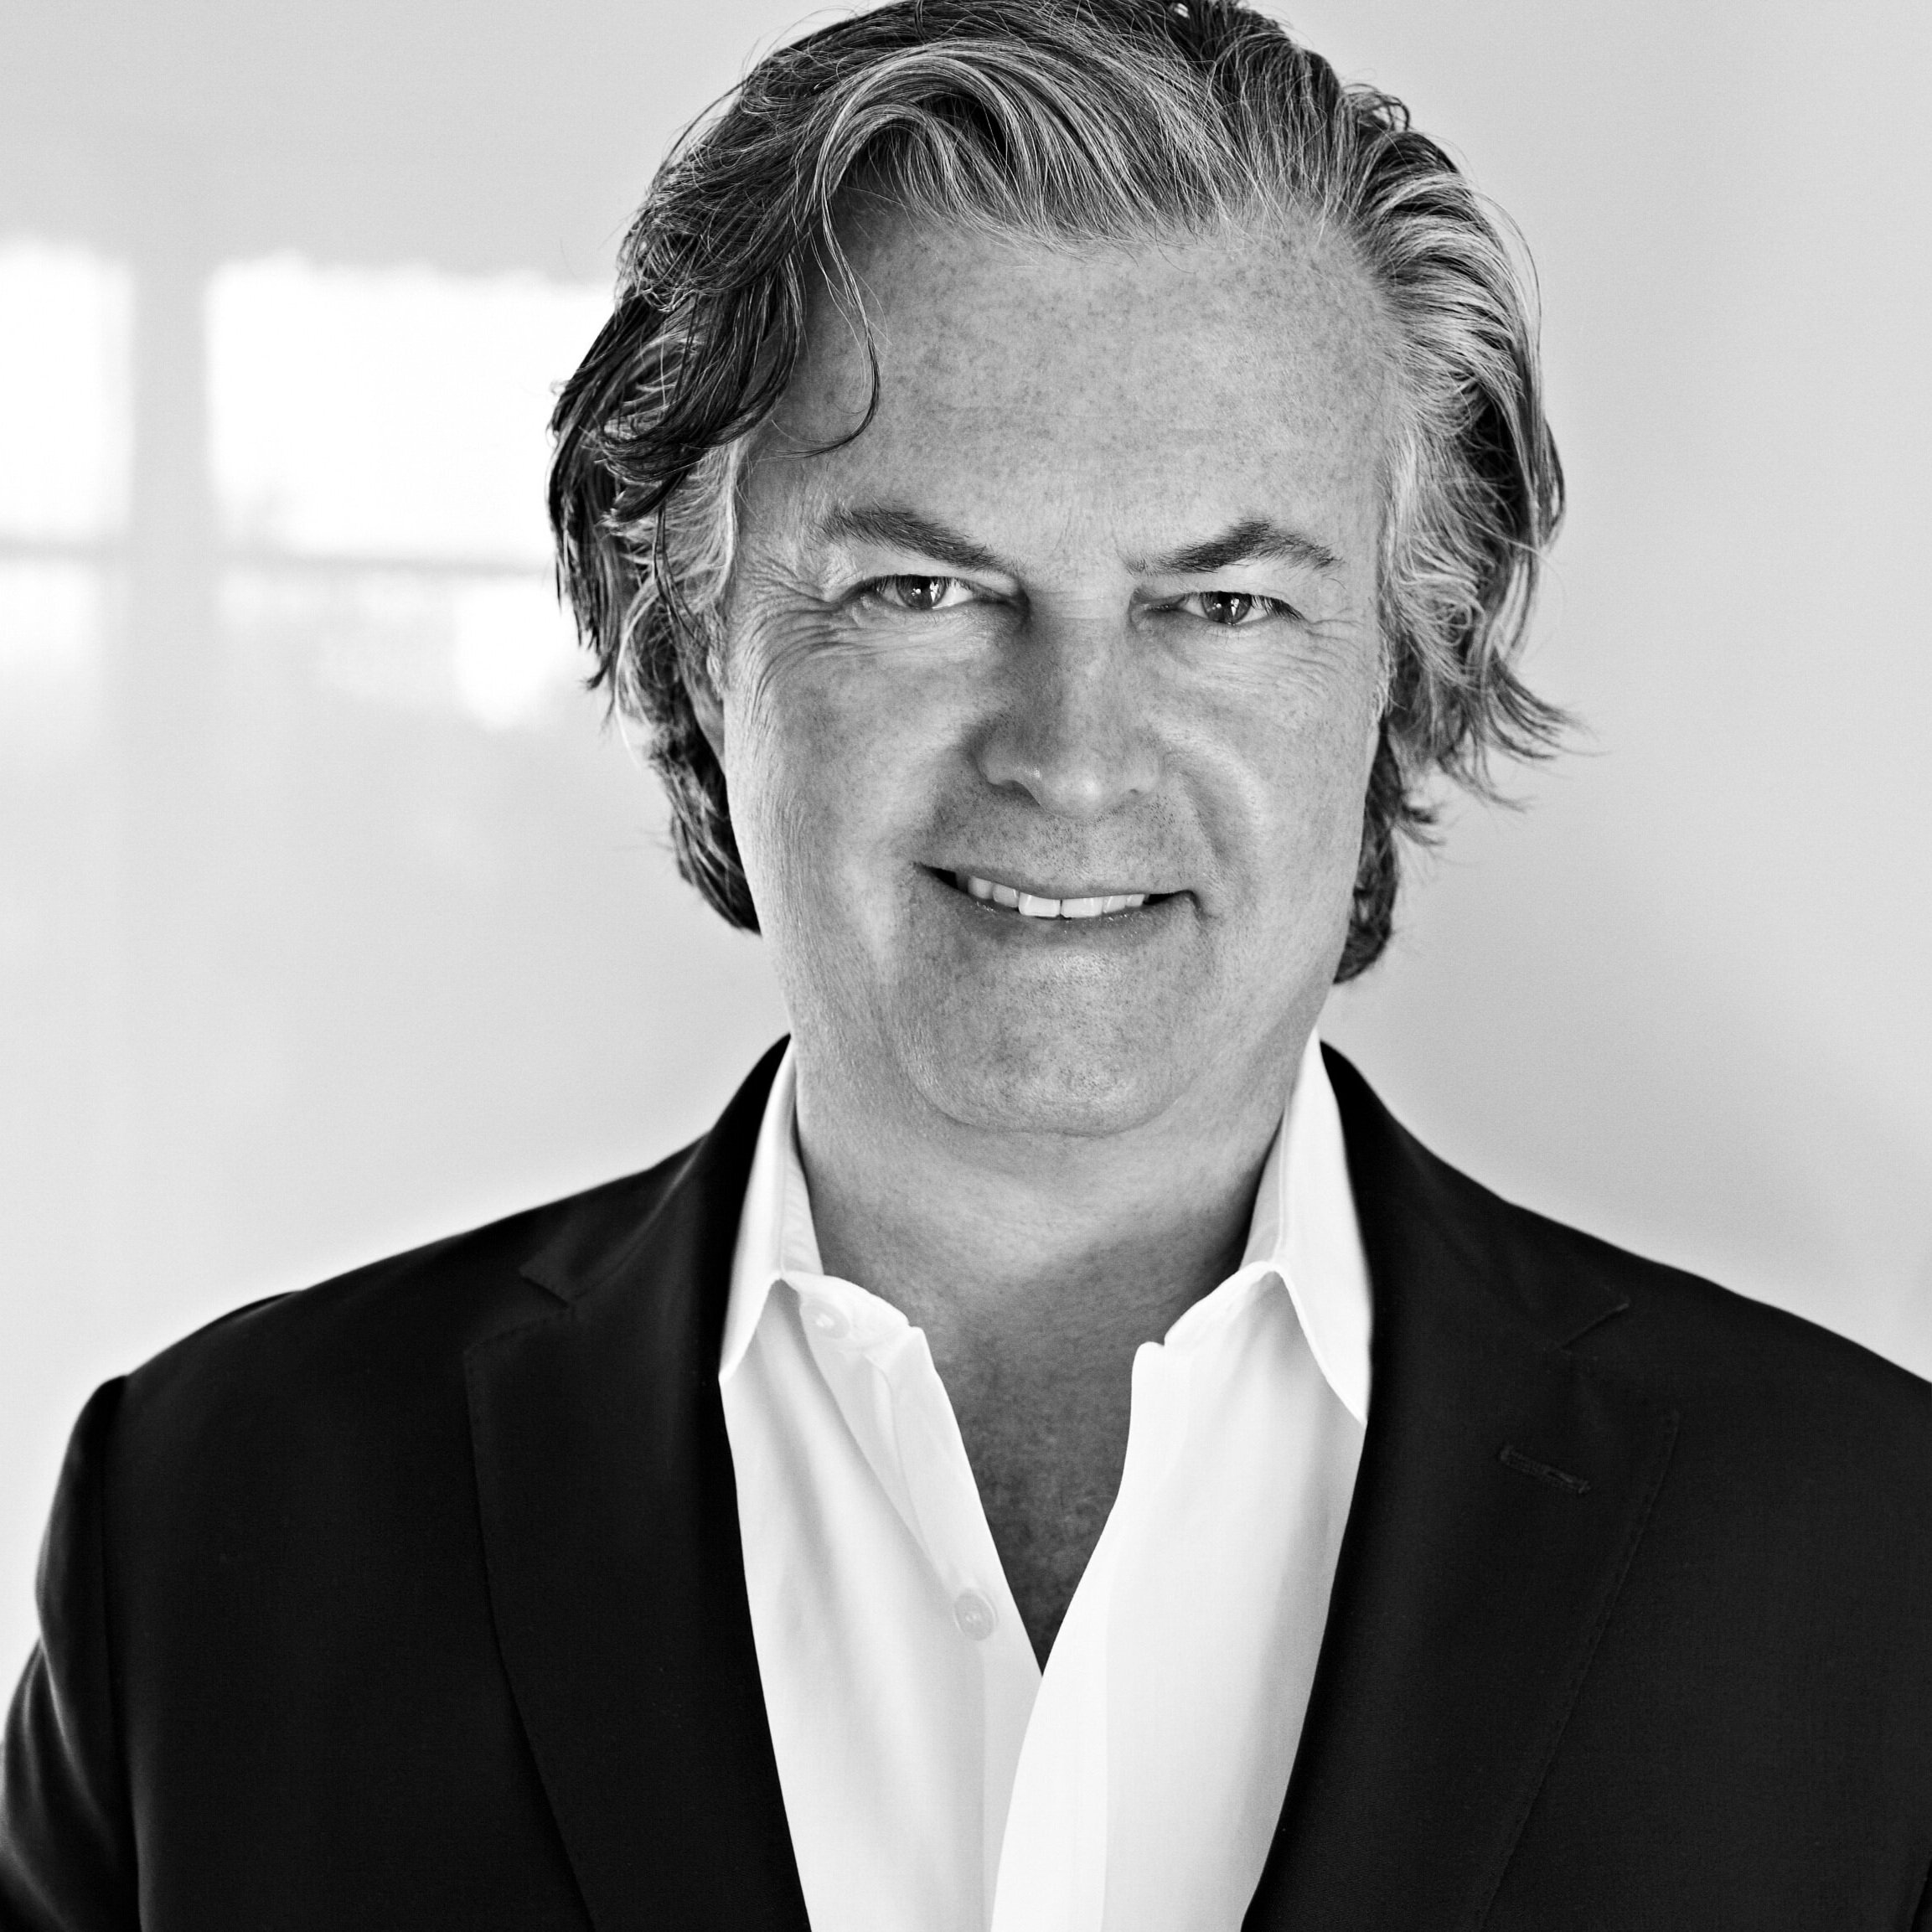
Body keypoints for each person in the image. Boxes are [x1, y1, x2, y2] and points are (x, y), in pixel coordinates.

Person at [5, 0, 1930, 1925]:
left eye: (1221, 602)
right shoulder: (206, 1536)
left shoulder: (1877, 1563)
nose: (1072, 756)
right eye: (920, 589)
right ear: (691, 649)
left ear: (1399, 681)